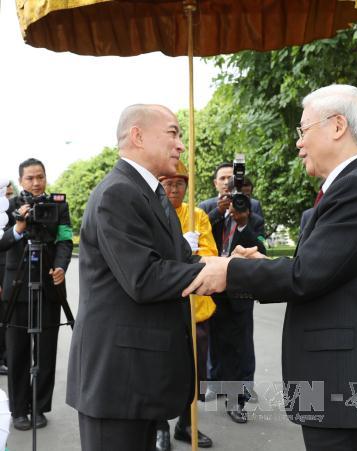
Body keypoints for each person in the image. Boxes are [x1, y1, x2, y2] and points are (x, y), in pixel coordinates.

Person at [185, 84, 357, 451]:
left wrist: (227, 271)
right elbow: (325, 267)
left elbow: (307, 276)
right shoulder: (355, 184)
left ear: (337, 126)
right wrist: (264, 264)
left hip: (349, 387)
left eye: (303, 130)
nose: (299, 143)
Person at [66, 104, 207, 451]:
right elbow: (143, 277)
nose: (180, 145)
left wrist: (232, 264)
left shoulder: (152, 195)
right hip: (118, 383)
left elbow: (184, 261)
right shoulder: (118, 193)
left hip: (140, 379)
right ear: (138, 136)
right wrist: (221, 271)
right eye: (173, 133)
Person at [0, 159, 73, 431]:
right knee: (17, 351)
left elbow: (65, 239)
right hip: (16, 286)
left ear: (45, 177)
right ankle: (18, 409)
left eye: (40, 177)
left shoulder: (59, 204)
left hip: (48, 285)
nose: (35, 182)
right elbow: (1, 243)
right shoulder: (8, 207)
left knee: (45, 351)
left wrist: (61, 267)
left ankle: (38, 405)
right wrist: (18, 227)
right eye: (29, 178)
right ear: (21, 181)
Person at [155, 160, 216, 449]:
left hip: (196, 307)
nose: (173, 188)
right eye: (167, 182)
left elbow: (210, 253)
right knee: (162, 368)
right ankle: (160, 426)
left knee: (196, 369)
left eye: (179, 183)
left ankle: (187, 422)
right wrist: (179, 247)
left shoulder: (198, 215)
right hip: (165, 305)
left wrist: (192, 250)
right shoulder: (152, 214)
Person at [199, 163, 265, 413]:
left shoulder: (251, 209)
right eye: (223, 179)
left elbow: (260, 245)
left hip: (240, 286)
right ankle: (215, 382)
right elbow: (202, 236)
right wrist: (218, 212)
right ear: (217, 184)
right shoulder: (207, 208)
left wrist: (244, 224)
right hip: (214, 286)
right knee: (215, 339)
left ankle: (239, 395)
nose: (228, 183)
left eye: (231, 178)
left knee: (241, 342)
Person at [0, 182, 14, 376]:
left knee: (6, 319)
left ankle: (5, 358)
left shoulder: (9, 213)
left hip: (9, 275)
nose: (8, 198)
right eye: (6, 194)